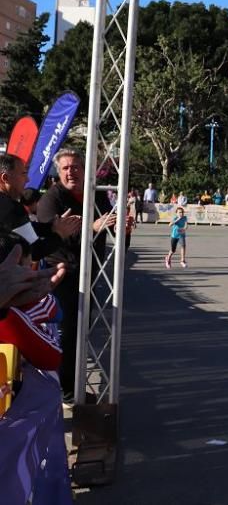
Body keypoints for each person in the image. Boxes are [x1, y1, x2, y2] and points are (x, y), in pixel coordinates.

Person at [36, 149, 117, 402]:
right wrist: (90, 228)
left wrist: (121, 228)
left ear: (85, 169)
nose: (71, 172)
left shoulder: (98, 195)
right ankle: (66, 391)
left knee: (82, 331)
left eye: (76, 167)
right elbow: (52, 236)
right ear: (58, 172)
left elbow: (108, 225)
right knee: (66, 332)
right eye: (66, 168)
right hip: (62, 275)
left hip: (90, 271)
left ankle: (72, 385)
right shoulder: (50, 200)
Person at [0, 153, 81, 261]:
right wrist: (60, 233)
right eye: (23, 173)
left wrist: (51, 226)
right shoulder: (10, 208)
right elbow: (34, 251)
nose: (27, 179)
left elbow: (22, 228)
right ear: (5, 178)